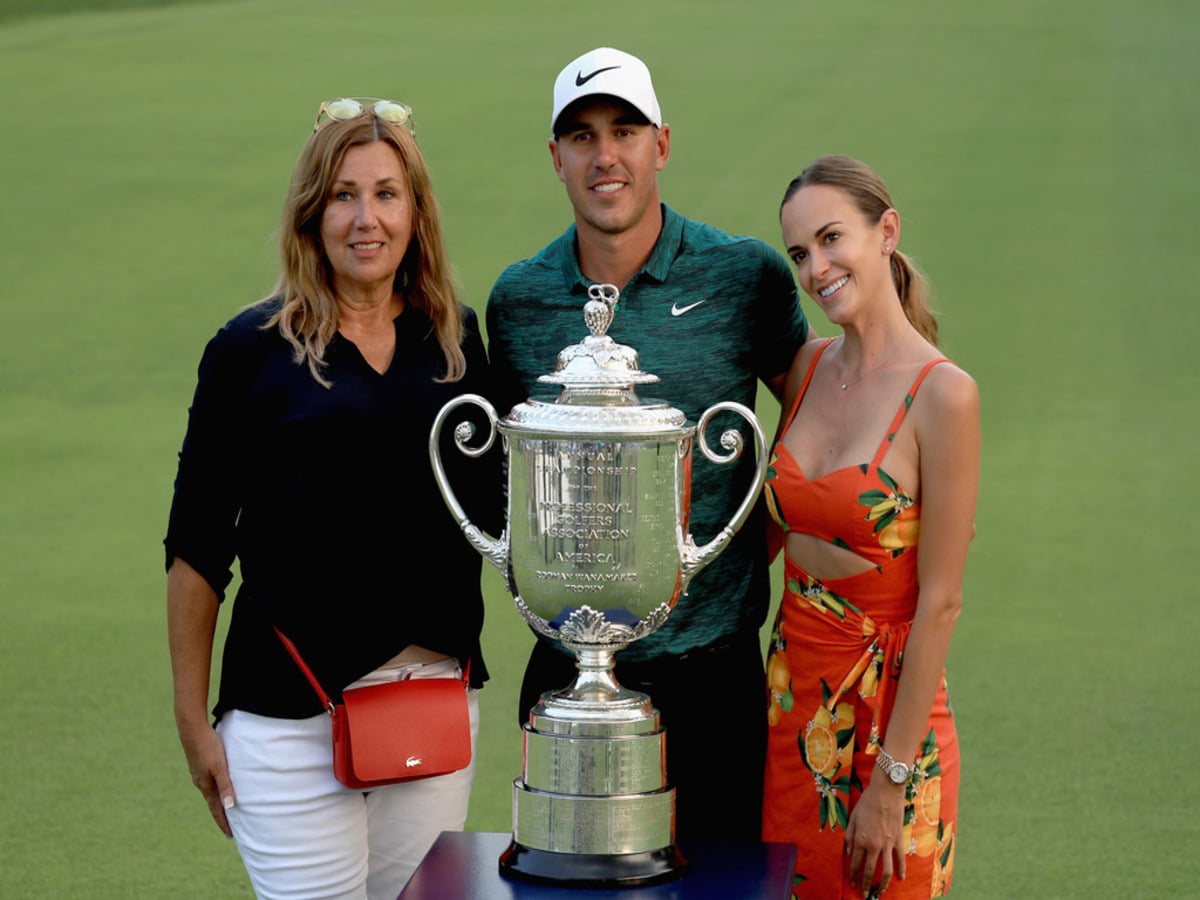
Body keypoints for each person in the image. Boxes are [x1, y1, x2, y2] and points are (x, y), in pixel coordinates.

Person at [165, 98, 500, 898]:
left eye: (387, 193)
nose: (366, 218)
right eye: (343, 195)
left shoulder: (455, 339)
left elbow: (497, 514)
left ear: (415, 211)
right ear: (312, 213)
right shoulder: (248, 350)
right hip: (289, 727)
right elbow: (197, 548)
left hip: (429, 716)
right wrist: (189, 721)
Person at [485, 47, 812, 844]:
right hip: (565, 672)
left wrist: (726, 550)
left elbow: (811, 423)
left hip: (715, 673)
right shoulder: (518, 300)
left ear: (660, 145)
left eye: (625, 131)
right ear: (555, 158)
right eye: (584, 136)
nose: (606, 156)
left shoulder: (745, 278)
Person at [760, 155, 979, 898]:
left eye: (830, 239)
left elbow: (941, 603)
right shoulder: (809, 366)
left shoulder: (944, 395)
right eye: (799, 254)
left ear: (886, 231)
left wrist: (891, 783)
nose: (816, 269)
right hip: (792, 715)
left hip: (892, 731)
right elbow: (774, 529)